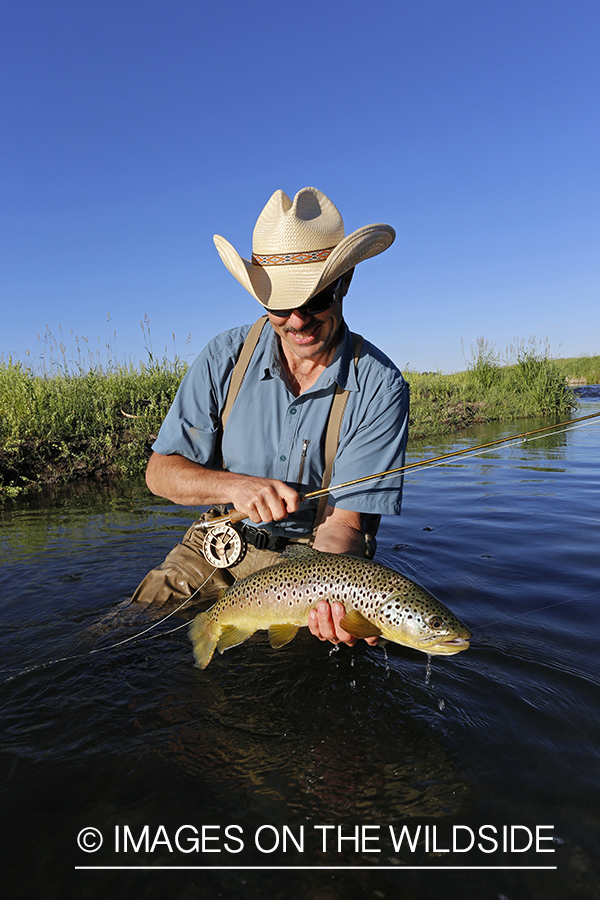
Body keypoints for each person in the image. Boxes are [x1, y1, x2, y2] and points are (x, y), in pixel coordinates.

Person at [132, 186, 409, 647]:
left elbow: (343, 526)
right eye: (279, 305)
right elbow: (161, 474)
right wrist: (236, 486)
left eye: (315, 300)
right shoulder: (223, 357)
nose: (297, 321)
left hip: (315, 563)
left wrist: (334, 601)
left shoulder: (380, 386)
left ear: (345, 283)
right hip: (217, 546)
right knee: (120, 635)